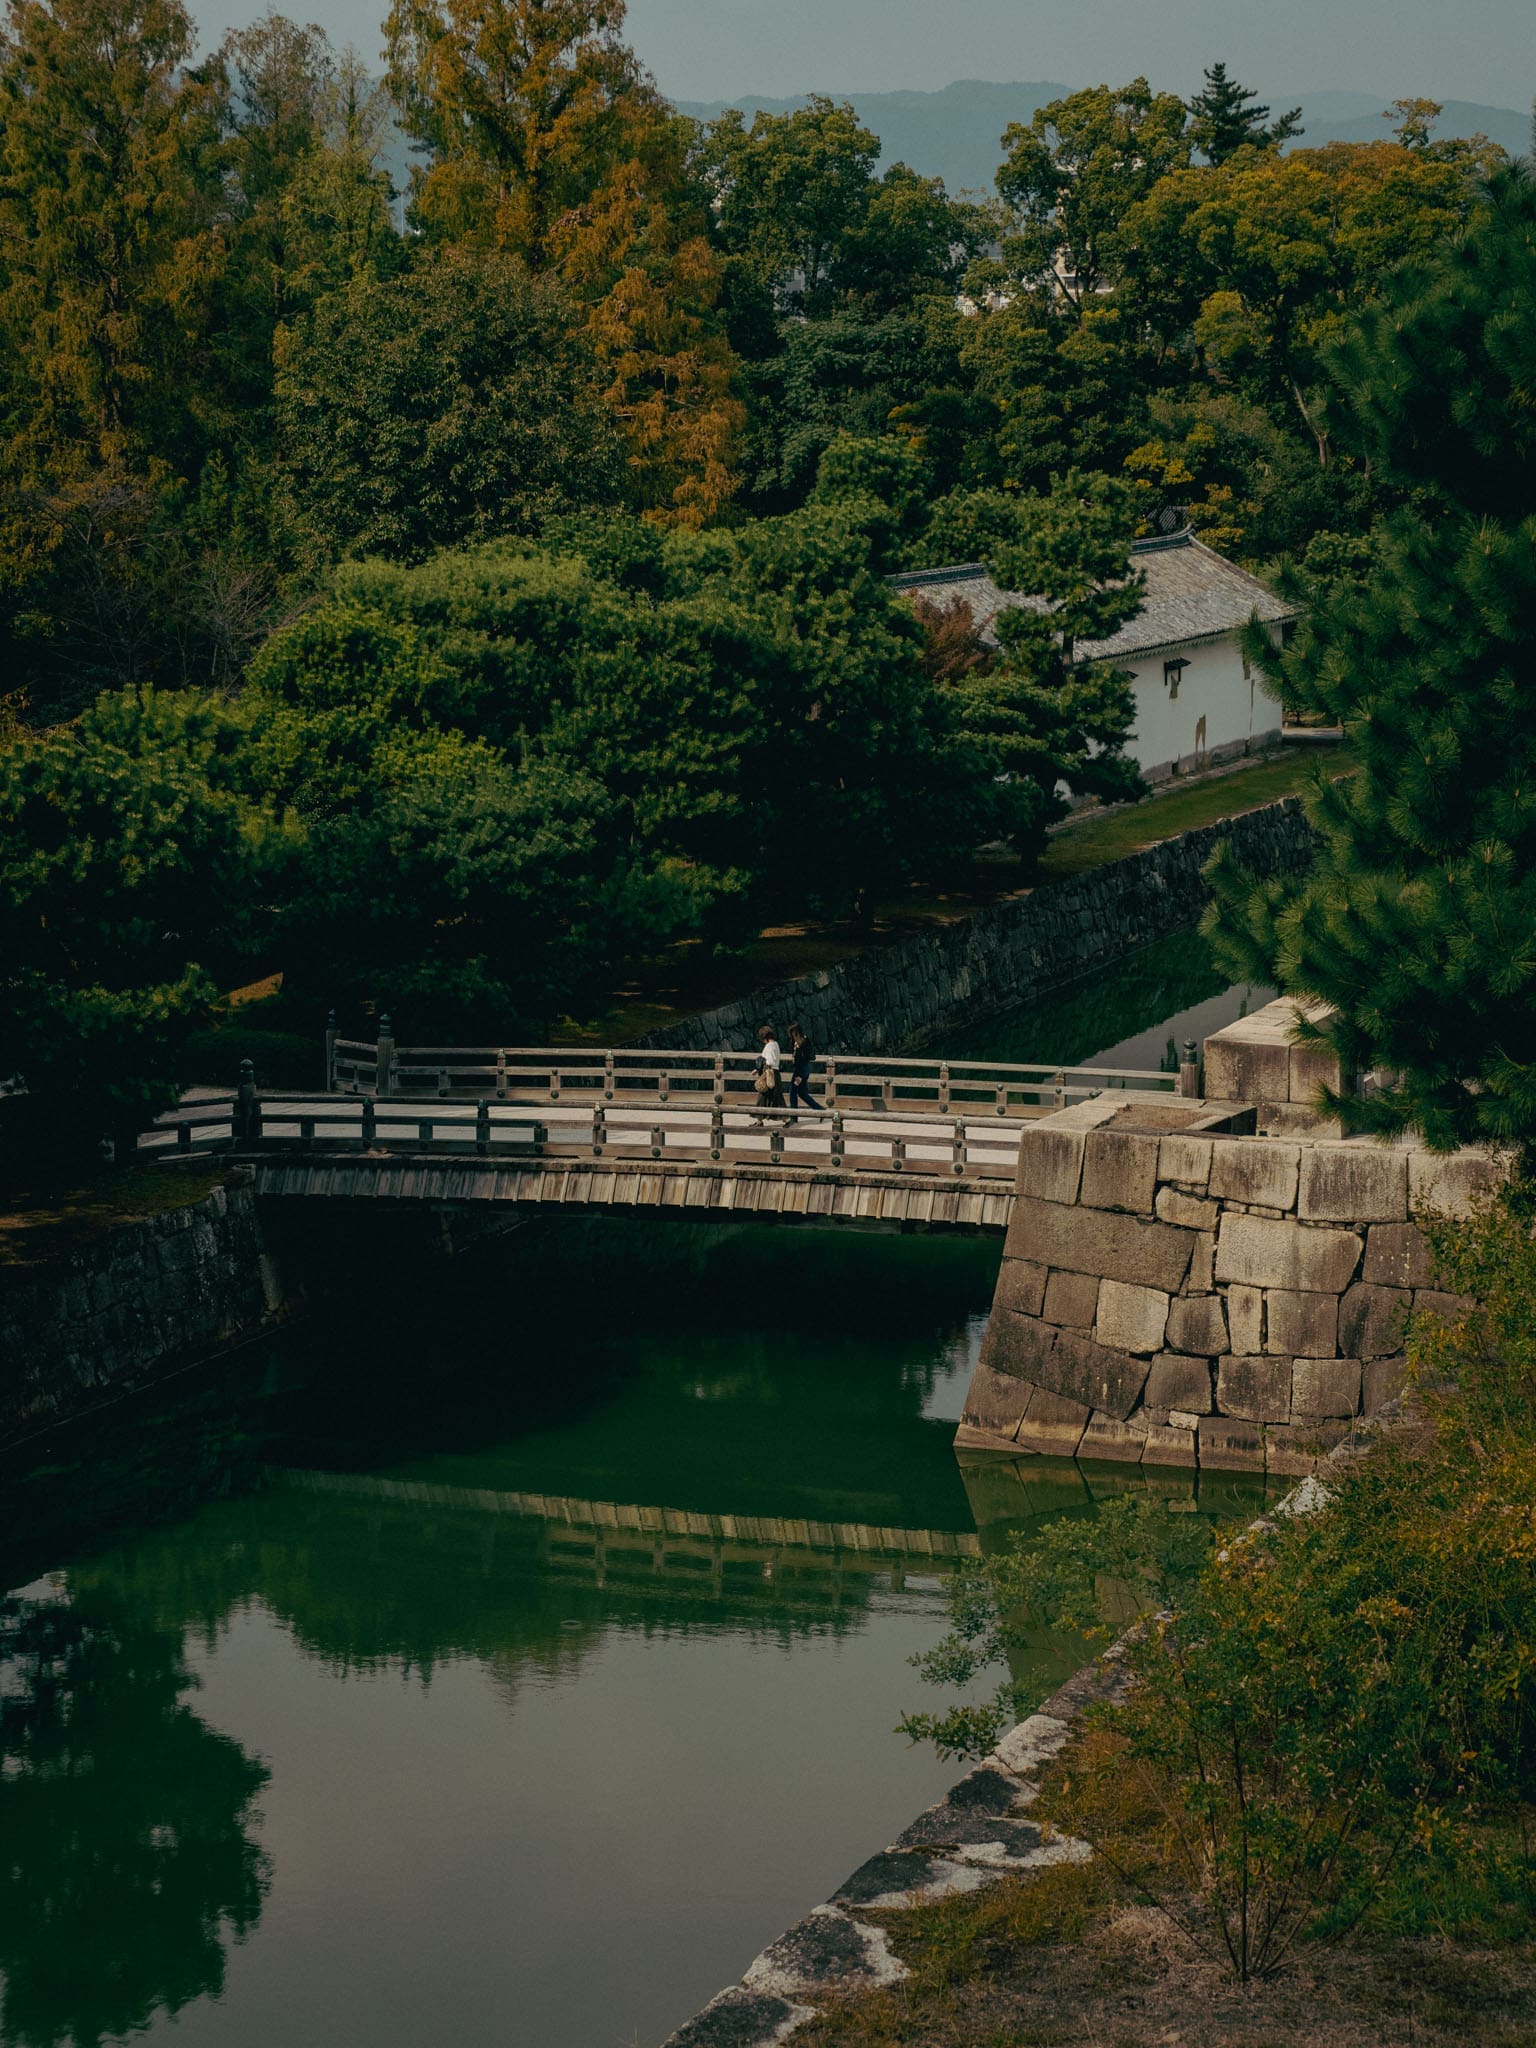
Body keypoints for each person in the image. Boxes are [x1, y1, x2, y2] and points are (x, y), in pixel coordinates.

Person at [787, 1021, 821, 1114]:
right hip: (799, 1069)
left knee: (792, 1092)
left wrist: (799, 1076)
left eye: (794, 1033)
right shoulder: (794, 1042)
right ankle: (820, 1110)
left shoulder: (804, 1042)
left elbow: (806, 1058)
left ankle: (794, 1117)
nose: (793, 1035)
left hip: (802, 1069)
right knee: (802, 1093)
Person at [753, 1023, 784, 1122]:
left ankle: (786, 1119)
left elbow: (769, 1061)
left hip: (769, 1073)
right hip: (775, 1072)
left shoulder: (769, 1046)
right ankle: (759, 1120)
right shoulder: (775, 1044)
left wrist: (761, 1067)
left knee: (769, 1096)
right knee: (771, 1097)